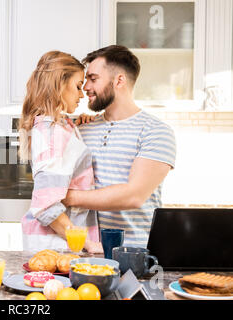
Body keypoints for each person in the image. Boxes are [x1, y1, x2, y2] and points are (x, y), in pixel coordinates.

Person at [63, 45, 176, 248]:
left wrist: (64, 196)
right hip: (90, 250)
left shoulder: (156, 131)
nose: (85, 87)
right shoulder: (83, 128)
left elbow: (134, 196)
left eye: (93, 78)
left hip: (138, 253)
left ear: (119, 80)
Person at [19, 50, 103, 253]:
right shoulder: (53, 133)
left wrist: (79, 125)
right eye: (77, 86)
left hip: (59, 244)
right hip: (59, 248)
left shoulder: (57, 126)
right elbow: (45, 205)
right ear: (59, 84)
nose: (82, 94)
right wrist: (87, 243)